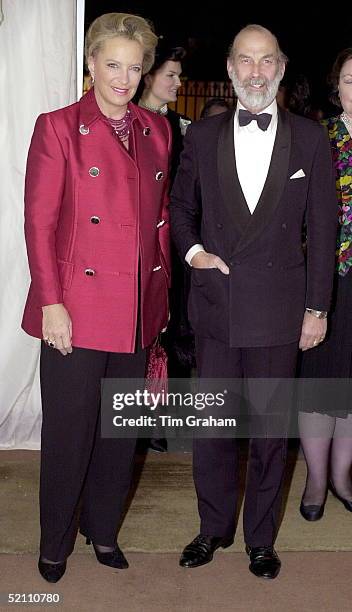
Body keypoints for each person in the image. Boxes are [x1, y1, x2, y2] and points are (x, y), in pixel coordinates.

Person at [170, 24, 337, 579]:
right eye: (246, 60)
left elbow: (324, 227)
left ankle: (260, 539)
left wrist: (317, 309)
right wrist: (193, 252)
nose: (257, 71)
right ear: (231, 69)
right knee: (213, 431)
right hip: (216, 306)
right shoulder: (201, 137)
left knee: (267, 436)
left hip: (278, 312)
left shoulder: (311, 140)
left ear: (281, 69)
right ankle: (213, 528)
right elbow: (180, 209)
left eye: (266, 61)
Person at [22, 12, 171, 583]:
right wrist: (51, 303)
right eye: (113, 64)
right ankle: (55, 541)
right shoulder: (57, 127)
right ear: (90, 63)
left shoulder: (157, 130)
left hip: (135, 309)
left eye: (135, 68)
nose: (124, 78)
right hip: (76, 310)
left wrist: (157, 299)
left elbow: (156, 223)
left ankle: (102, 531)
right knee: (69, 434)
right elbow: (39, 224)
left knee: (118, 431)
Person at [298, 48, 352, 521]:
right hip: (326, 280)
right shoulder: (320, 137)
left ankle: (341, 476)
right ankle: (315, 479)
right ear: (337, 87)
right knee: (319, 383)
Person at [137, 38, 195, 453]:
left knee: (168, 331)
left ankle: (156, 419)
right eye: (171, 75)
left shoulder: (178, 127)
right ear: (150, 74)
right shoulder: (124, 118)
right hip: (131, 243)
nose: (178, 82)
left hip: (169, 244)